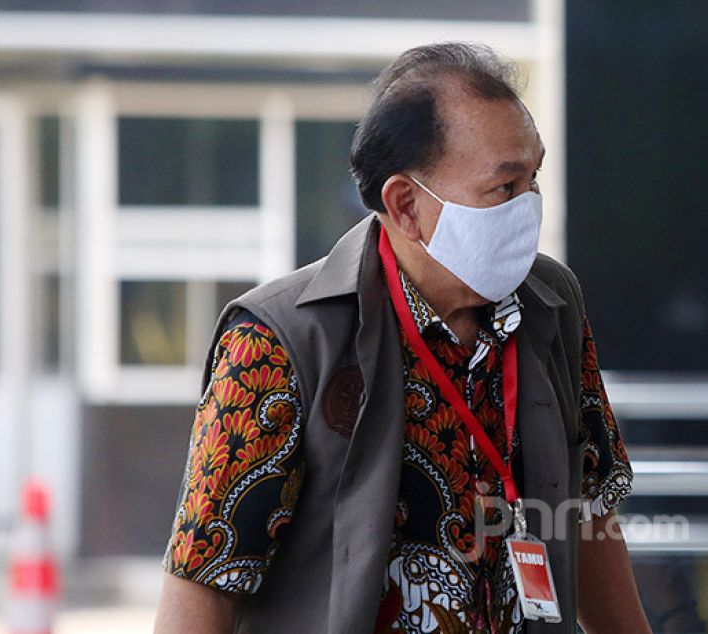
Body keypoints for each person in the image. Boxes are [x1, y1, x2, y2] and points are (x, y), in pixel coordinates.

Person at [153, 42, 651, 634]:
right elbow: (205, 582)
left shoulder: (553, 305)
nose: (531, 206)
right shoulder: (278, 340)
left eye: (534, 176)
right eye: (504, 187)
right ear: (406, 205)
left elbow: (591, 519)